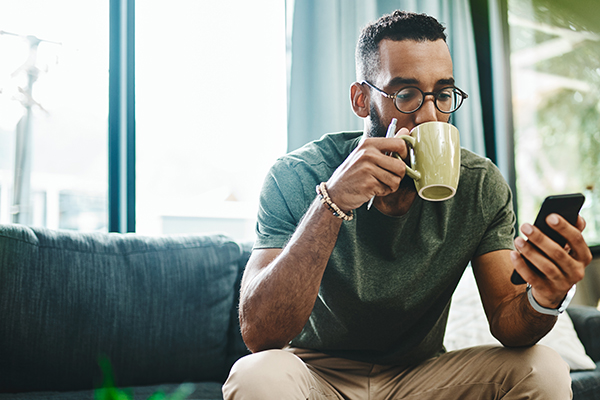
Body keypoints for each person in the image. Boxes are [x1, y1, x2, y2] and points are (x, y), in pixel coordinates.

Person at [223, 10, 592, 400]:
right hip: (317, 374)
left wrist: (545, 298)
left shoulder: (479, 184)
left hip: (423, 375)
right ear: (362, 99)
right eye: (406, 94)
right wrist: (330, 203)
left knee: (543, 368)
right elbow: (260, 333)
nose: (430, 115)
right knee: (256, 375)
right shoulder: (295, 175)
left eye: (443, 95)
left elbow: (507, 319)